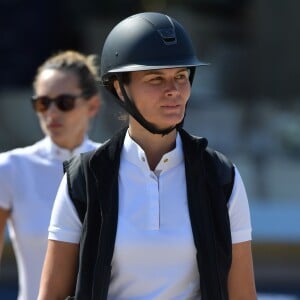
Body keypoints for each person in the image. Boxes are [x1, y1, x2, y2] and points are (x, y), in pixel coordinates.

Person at [38, 12, 257, 300]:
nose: (174, 91)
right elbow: (50, 296)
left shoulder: (221, 176)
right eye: (156, 79)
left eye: (181, 76)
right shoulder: (83, 178)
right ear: (119, 87)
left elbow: (243, 296)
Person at [0, 50, 101, 300]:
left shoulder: (116, 163)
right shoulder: (10, 168)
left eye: (64, 102)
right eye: (43, 103)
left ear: (92, 105)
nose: (51, 113)